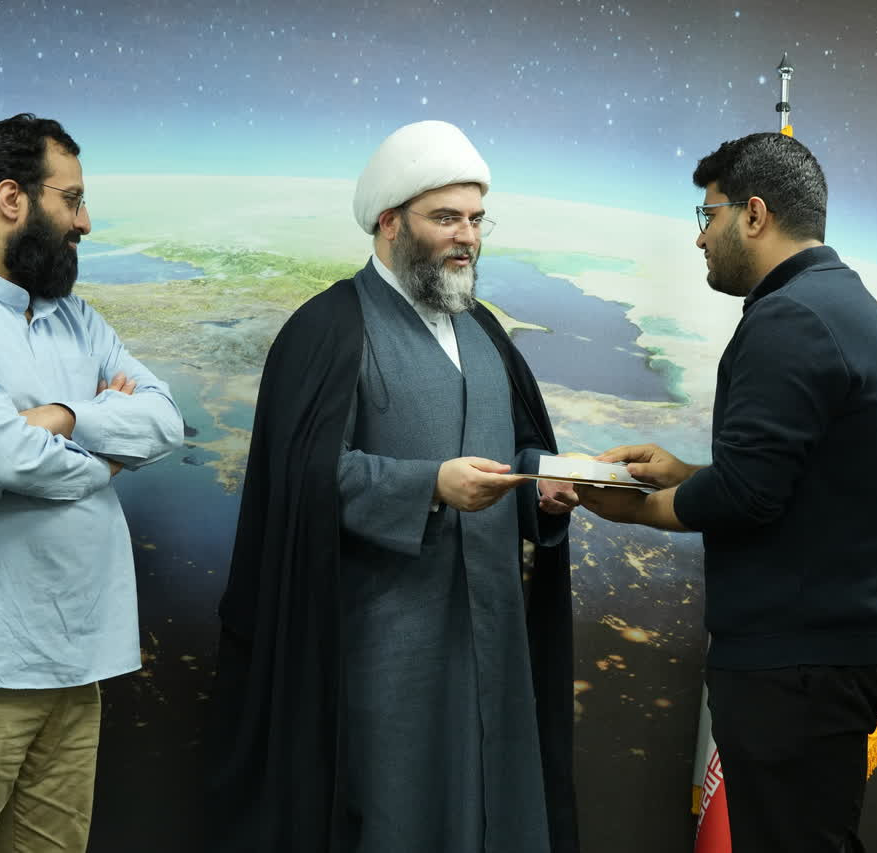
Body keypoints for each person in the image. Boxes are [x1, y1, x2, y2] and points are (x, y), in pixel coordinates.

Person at [204, 120, 579, 853]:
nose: (467, 237)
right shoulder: (329, 328)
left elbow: (518, 447)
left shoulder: (485, 329)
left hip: (493, 635)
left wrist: (542, 486)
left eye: (476, 219)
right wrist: (429, 485)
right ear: (390, 222)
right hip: (385, 643)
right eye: (446, 218)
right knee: (395, 814)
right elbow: (306, 478)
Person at [576, 132, 877, 852]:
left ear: (754, 214)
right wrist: (685, 474)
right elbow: (799, 479)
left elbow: (748, 497)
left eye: (708, 216)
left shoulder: (790, 318)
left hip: (796, 666)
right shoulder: (839, 303)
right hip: (830, 655)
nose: (700, 238)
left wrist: (636, 507)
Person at [0, 113, 184, 852]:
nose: (85, 222)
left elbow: (164, 420)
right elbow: (3, 454)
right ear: (12, 199)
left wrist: (66, 416)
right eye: (71, 199)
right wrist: (105, 460)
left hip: (77, 664)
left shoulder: (79, 320)